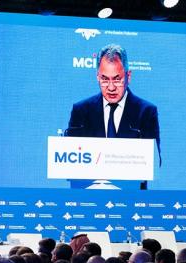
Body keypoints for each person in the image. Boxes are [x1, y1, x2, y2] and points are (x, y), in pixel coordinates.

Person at [67, 44, 160, 190]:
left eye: (117, 79)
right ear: (97, 77)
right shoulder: (81, 111)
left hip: (130, 198)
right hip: (88, 197)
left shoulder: (146, 112)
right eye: (104, 79)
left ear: (128, 76)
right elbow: (70, 164)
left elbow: (153, 163)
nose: (111, 87)